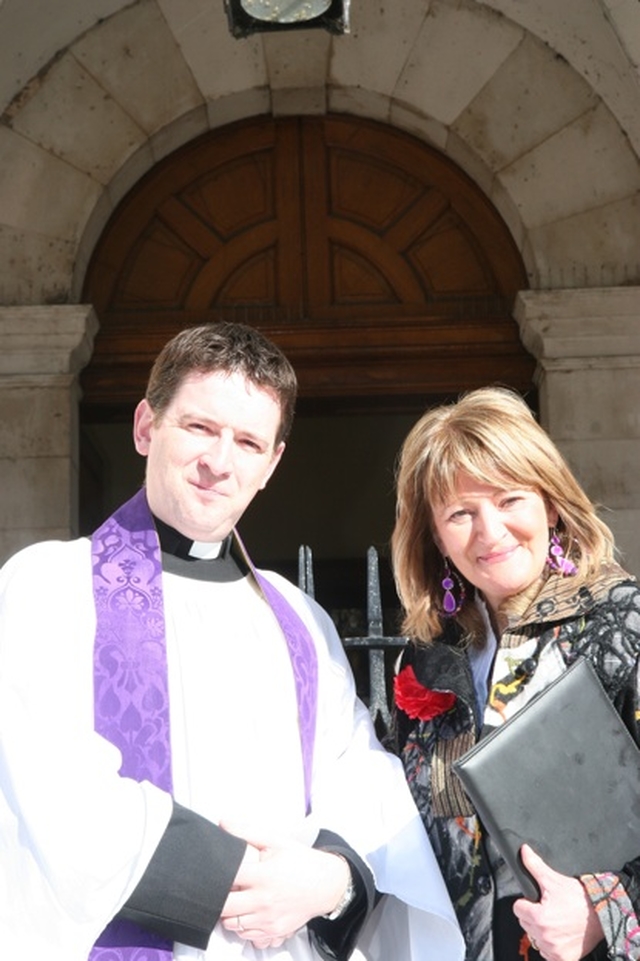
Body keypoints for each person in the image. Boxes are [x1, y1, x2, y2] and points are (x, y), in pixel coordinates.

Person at [0, 321, 464, 961]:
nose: (219, 462)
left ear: (272, 464)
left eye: (248, 441)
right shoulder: (47, 586)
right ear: (145, 427)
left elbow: (358, 770)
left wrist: (329, 880)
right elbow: (55, 784)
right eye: (199, 427)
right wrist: (249, 884)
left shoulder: (297, 617)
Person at [390, 385, 640, 961]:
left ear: (550, 504)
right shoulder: (427, 659)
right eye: (460, 513)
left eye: (509, 500)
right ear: (434, 534)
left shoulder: (622, 620)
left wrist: (607, 909)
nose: (490, 531)